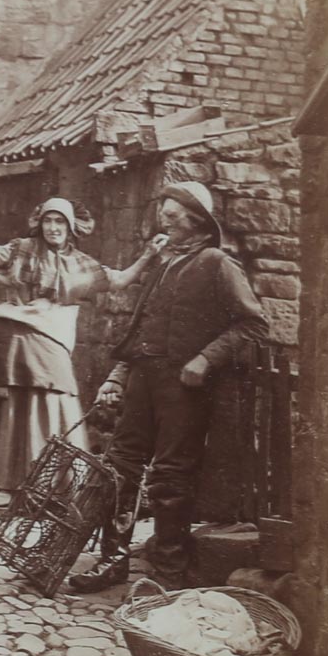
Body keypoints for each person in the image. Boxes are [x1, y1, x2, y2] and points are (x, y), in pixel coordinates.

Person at [68, 181, 270, 593]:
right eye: (163, 215)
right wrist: (116, 377)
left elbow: (254, 326)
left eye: (173, 217)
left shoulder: (217, 263)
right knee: (121, 466)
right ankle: (113, 561)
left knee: (171, 476)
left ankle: (167, 574)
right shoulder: (162, 266)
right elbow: (138, 329)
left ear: (196, 222)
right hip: (143, 380)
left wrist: (205, 358)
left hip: (186, 388)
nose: (165, 222)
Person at [0, 198, 165, 489]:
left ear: (70, 227)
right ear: (39, 224)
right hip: (7, 339)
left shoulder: (81, 264)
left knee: (53, 403)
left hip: (50, 340)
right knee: (11, 409)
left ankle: (48, 484)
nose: (53, 228)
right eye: (48, 221)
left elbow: (117, 280)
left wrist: (147, 255)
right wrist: (4, 280)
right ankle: (6, 482)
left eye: (60, 222)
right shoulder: (21, 248)